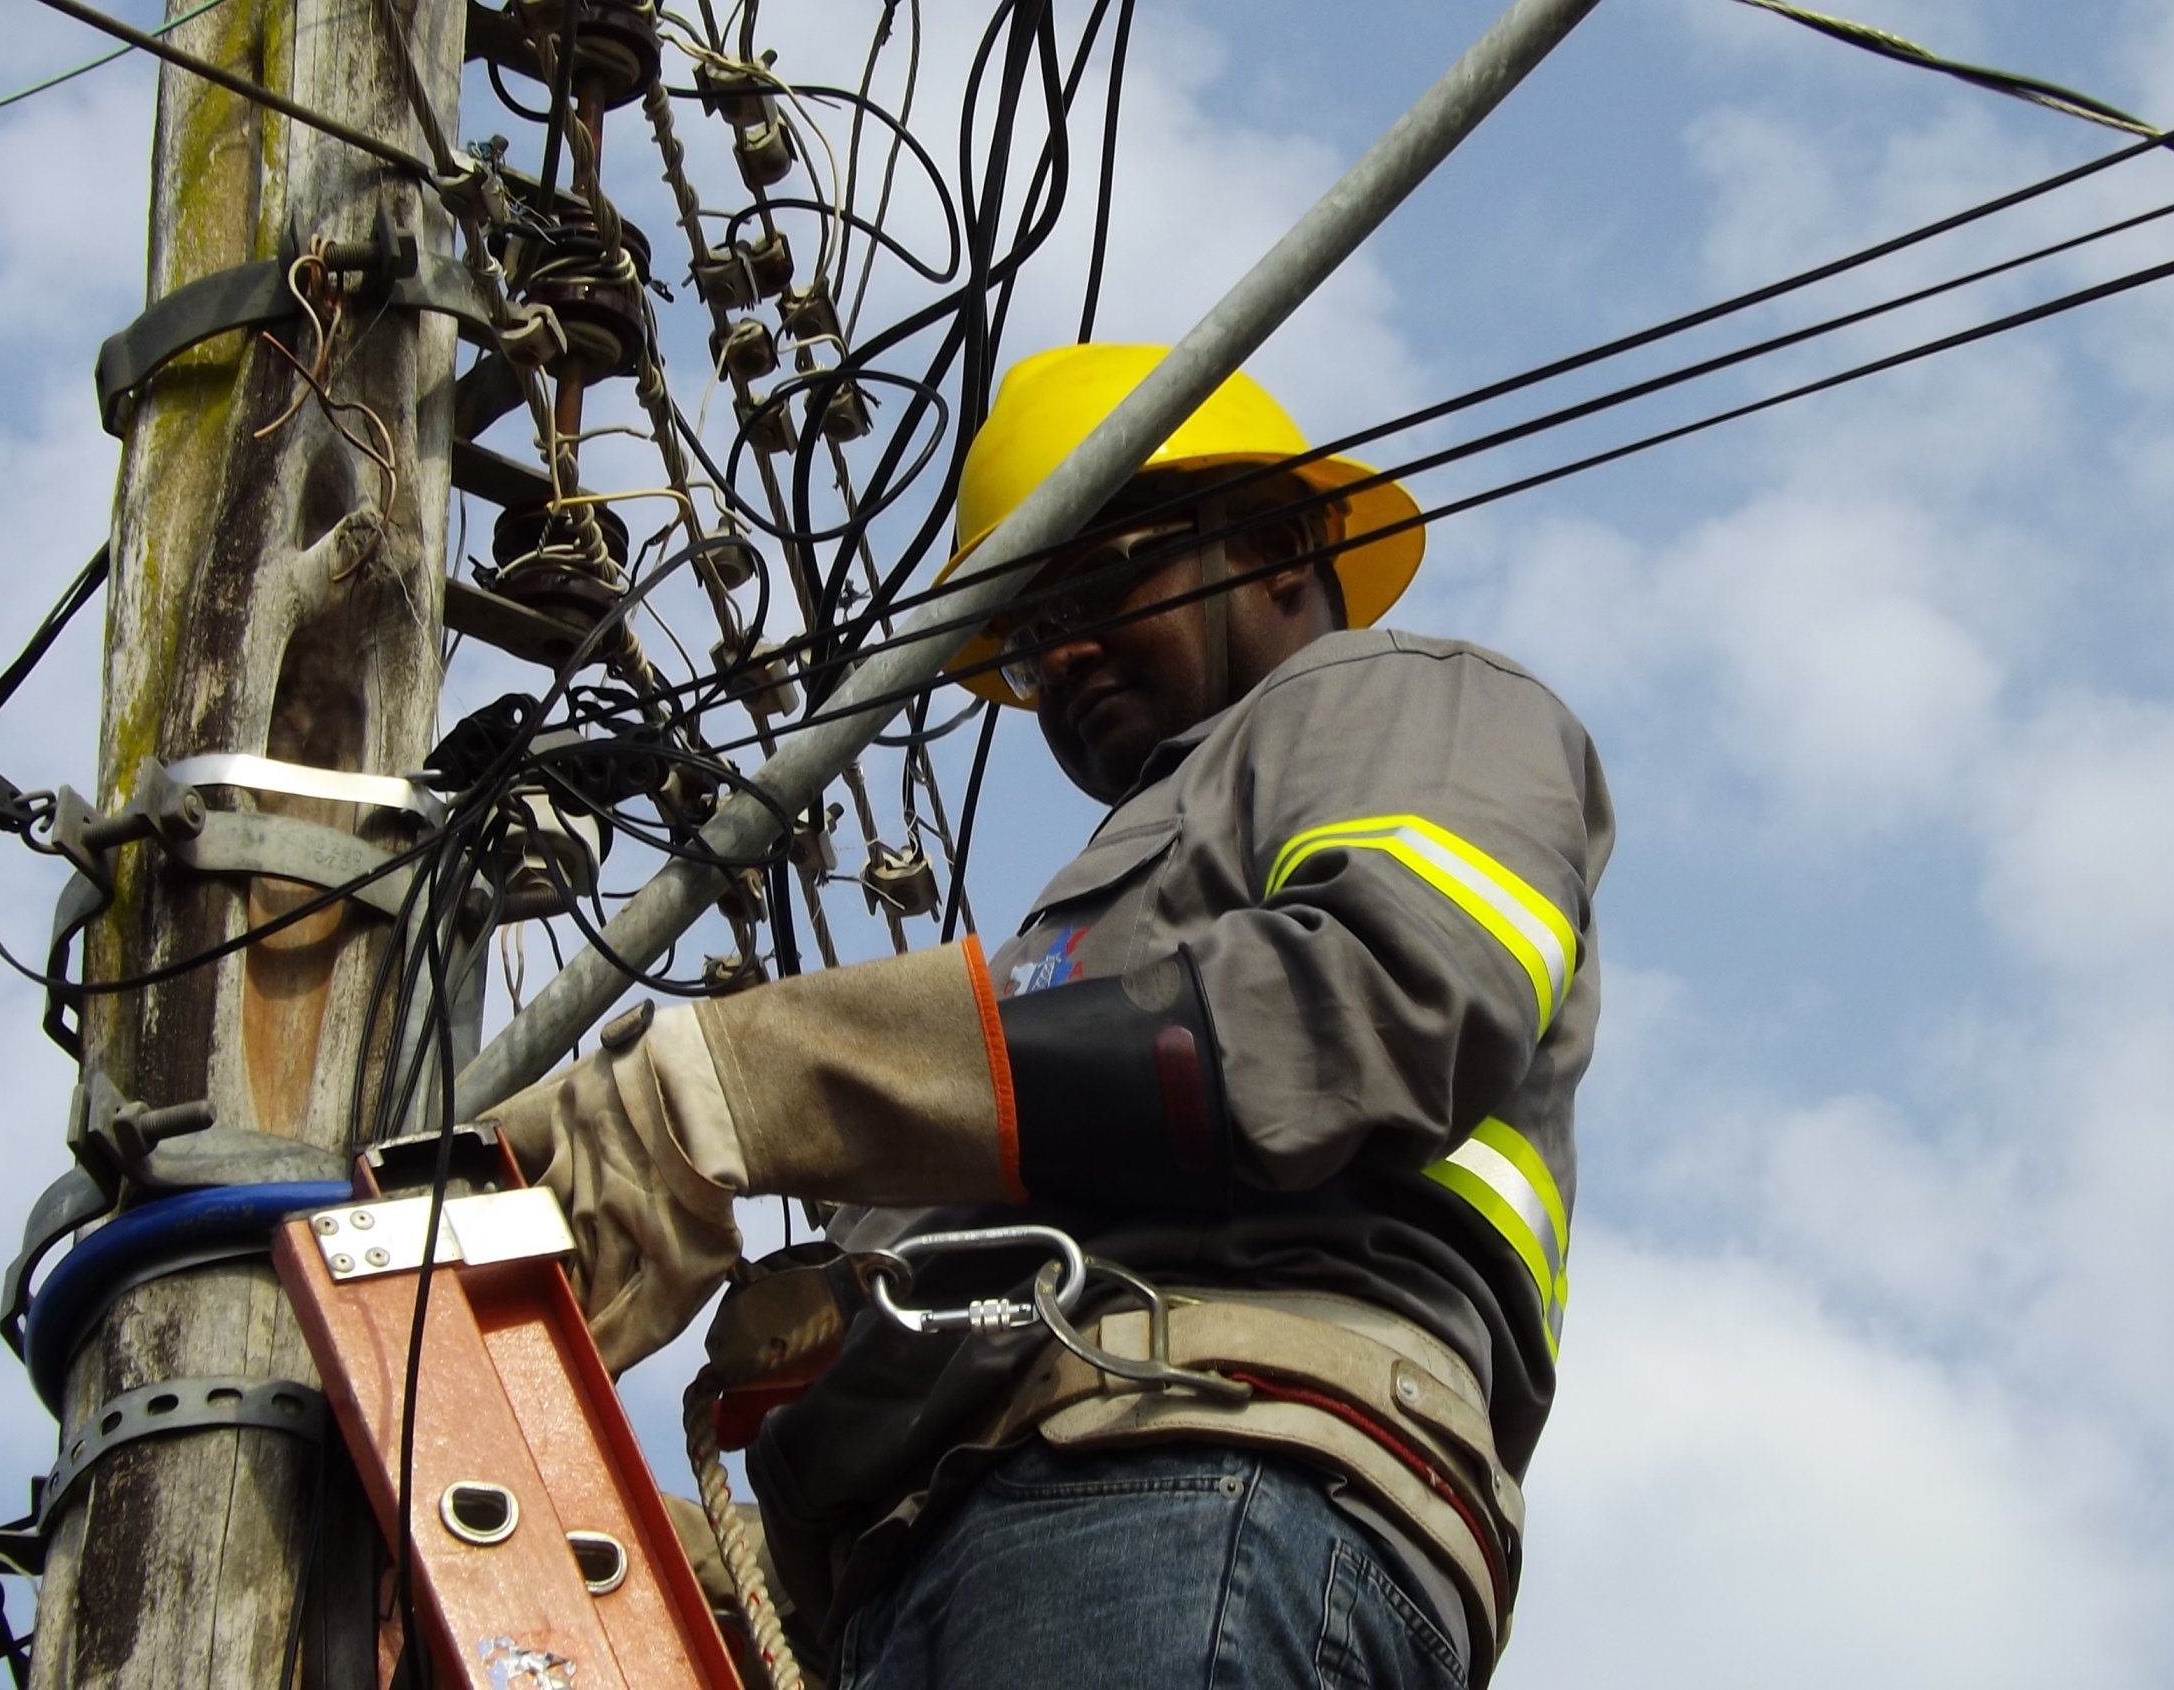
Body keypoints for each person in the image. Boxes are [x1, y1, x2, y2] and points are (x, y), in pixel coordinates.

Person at [485, 343, 1609, 1689]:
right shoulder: (1075, 958)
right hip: (988, 1553)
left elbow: (1370, 998)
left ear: (1278, 545)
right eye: (1026, 631)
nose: (1060, 649)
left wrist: (740, 1087)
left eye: (1103, 579)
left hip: (1196, 1467)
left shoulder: (1405, 701)